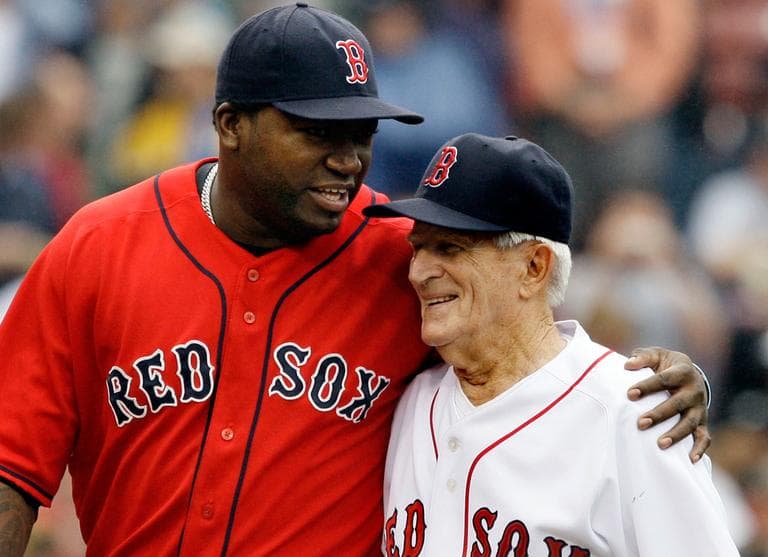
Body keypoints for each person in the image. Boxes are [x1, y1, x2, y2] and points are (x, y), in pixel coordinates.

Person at [0, 4, 710, 556]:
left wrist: (649, 382)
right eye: (319, 131)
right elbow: (11, 466)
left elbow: (533, 339)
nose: (350, 158)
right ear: (230, 124)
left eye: (362, 132)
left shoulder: (403, 256)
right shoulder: (96, 247)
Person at [364, 133, 738, 555]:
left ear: (533, 267)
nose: (419, 272)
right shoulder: (409, 400)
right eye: (418, 248)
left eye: (450, 247)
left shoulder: (632, 413)